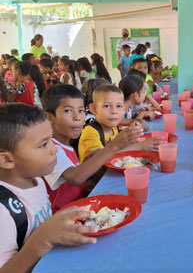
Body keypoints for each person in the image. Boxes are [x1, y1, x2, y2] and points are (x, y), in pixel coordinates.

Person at [0, 103, 98, 273]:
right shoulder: (3, 208)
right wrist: (41, 239)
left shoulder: (35, 181)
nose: (55, 151)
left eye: (51, 141)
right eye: (43, 145)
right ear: (6, 159)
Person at [42, 84, 142, 212]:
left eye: (81, 110)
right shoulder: (51, 149)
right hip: (65, 215)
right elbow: (75, 178)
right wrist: (113, 146)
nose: (77, 117)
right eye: (68, 111)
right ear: (50, 117)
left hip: (82, 203)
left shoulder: (67, 145)